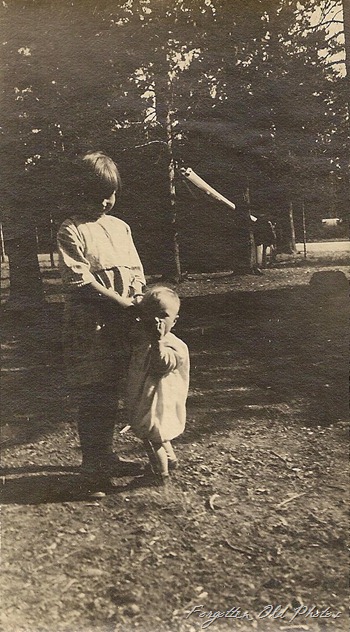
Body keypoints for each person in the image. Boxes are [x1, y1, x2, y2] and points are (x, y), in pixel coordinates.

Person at [57, 150, 146, 492]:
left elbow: (136, 270)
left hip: (123, 325)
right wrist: (122, 304)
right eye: (97, 195)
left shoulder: (120, 227)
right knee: (95, 392)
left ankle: (107, 455)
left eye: (111, 194)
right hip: (90, 327)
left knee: (116, 391)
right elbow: (80, 281)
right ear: (79, 193)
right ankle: (93, 466)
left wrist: (138, 297)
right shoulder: (72, 230)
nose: (106, 202)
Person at [127, 286, 190, 485]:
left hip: (160, 402)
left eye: (163, 316)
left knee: (153, 437)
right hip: (144, 397)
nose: (157, 321)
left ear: (174, 320)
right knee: (157, 435)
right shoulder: (143, 336)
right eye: (151, 315)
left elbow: (161, 364)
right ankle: (170, 459)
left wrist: (157, 341)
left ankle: (159, 473)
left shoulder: (173, 345)